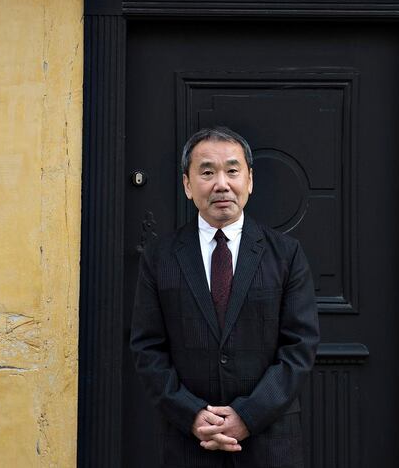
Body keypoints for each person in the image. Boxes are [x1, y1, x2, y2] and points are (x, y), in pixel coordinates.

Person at [130, 127, 320, 468]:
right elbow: (148, 348)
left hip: (270, 442)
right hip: (188, 444)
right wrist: (191, 416)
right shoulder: (160, 258)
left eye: (232, 171)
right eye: (207, 172)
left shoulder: (286, 254)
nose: (221, 184)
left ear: (249, 180)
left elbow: (300, 346)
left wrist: (247, 416)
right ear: (188, 185)